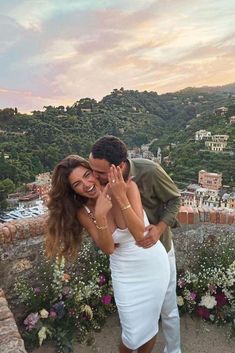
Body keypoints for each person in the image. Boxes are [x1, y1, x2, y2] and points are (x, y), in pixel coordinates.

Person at [46, 155, 170, 353]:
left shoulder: (126, 187)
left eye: (87, 175)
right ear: (73, 190)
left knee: (150, 324)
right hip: (124, 272)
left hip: (152, 263)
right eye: (77, 184)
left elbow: (140, 233)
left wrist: (120, 198)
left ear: (94, 172)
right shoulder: (84, 211)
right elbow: (108, 248)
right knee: (131, 334)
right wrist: (101, 216)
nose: (86, 184)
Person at [89, 136, 181, 353]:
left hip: (158, 248)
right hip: (130, 261)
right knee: (136, 324)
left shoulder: (149, 171)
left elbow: (175, 199)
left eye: (100, 172)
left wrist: (158, 228)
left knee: (168, 309)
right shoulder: (100, 188)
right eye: (91, 169)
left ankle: (174, 350)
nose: (94, 176)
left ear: (119, 166)